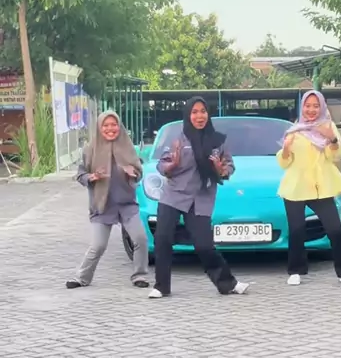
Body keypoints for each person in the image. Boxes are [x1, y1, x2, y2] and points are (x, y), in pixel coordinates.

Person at [149, 97, 250, 299]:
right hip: (174, 194)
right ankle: (161, 286)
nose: (199, 116)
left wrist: (221, 169)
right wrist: (173, 164)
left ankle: (228, 283)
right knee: (163, 238)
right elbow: (162, 165)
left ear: (208, 114)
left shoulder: (218, 140)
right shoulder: (178, 139)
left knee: (204, 245)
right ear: (188, 115)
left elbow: (229, 166)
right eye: (194, 112)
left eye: (203, 111)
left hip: (201, 196)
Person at [277, 90, 341, 287]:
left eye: (315, 106)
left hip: (321, 187)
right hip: (296, 187)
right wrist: (285, 150)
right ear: (302, 107)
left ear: (321, 107)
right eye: (307, 106)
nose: (311, 110)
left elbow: (337, 156)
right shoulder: (294, 130)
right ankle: (296, 270)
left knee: (335, 230)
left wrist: (332, 139)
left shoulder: (328, 127)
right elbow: (284, 163)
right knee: (296, 231)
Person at [66, 110, 149, 290]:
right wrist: (92, 177)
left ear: (119, 127)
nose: (110, 129)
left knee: (141, 239)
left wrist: (133, 173)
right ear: (99, 127)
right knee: (98, 246)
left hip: (127, 205)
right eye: (106, 125)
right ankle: (81, 278)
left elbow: (139, 172)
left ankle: (140, 275)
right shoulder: (90, 149)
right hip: (102, 206)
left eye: (114, 125)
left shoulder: (128, 147)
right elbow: (80, 175)